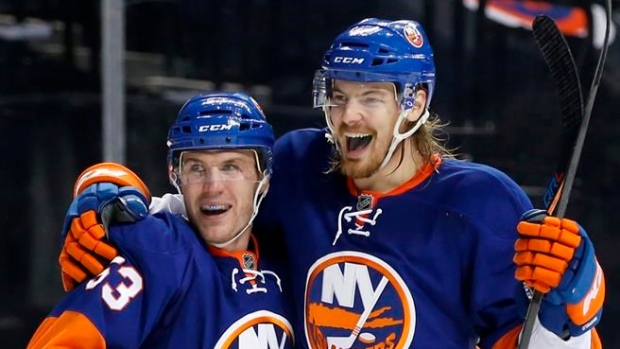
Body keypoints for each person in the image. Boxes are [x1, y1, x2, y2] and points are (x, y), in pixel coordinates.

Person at [54, 18, 605, 348]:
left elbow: (527, 335)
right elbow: (205, 210)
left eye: (369, 97)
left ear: (414, 103)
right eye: (338, 96)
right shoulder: (298, 165)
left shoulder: (481, 203)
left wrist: (574, 310)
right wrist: (111, 191)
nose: (347, 117)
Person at [27, 92, 295, 349]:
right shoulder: (159, 253)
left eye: (230, 167)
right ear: (176, 176)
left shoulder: (291, 257)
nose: (213, 186)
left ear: (264, 177)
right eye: (196, 168)